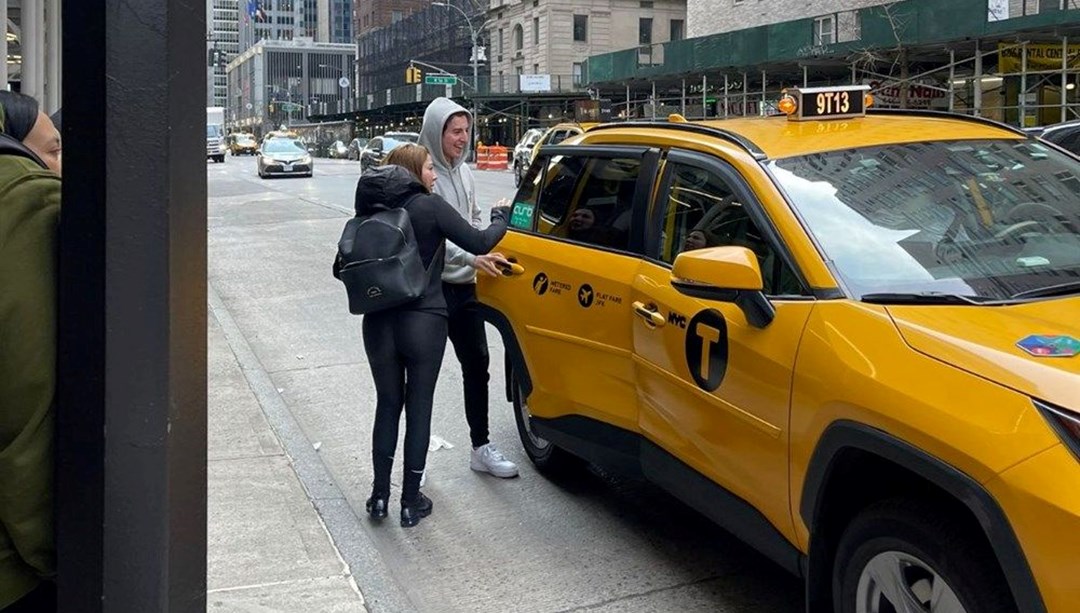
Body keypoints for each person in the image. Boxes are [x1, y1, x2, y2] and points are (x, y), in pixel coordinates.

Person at [357, 143, 509, 527]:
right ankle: (411, 500)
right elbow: (479, 242)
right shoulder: (428, 206)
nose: (434, 175)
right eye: (428, 168)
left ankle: (378, 496)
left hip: (377, 323)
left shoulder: (371, 211)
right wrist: (500, 217)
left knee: (387, 405)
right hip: (423, 320)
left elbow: (343, 264)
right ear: (412, 171)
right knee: (419, 405)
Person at [418, 97, 519, 478]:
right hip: (431, 292)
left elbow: (473, 222)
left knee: (477, 366)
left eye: (466, 131)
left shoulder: (465, 173)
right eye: (455, 131)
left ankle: (481, 447)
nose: (463, 139)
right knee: (422, 376)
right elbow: (432, 240)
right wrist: (472, 257)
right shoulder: (423, 176)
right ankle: (418, 462)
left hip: (465, 290)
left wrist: (475, 257)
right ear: (436, 132)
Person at [0, 91, 62, 612]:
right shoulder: (29, 202)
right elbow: (28, 404)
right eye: (55, 150)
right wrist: (54, 556)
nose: (62, 167)